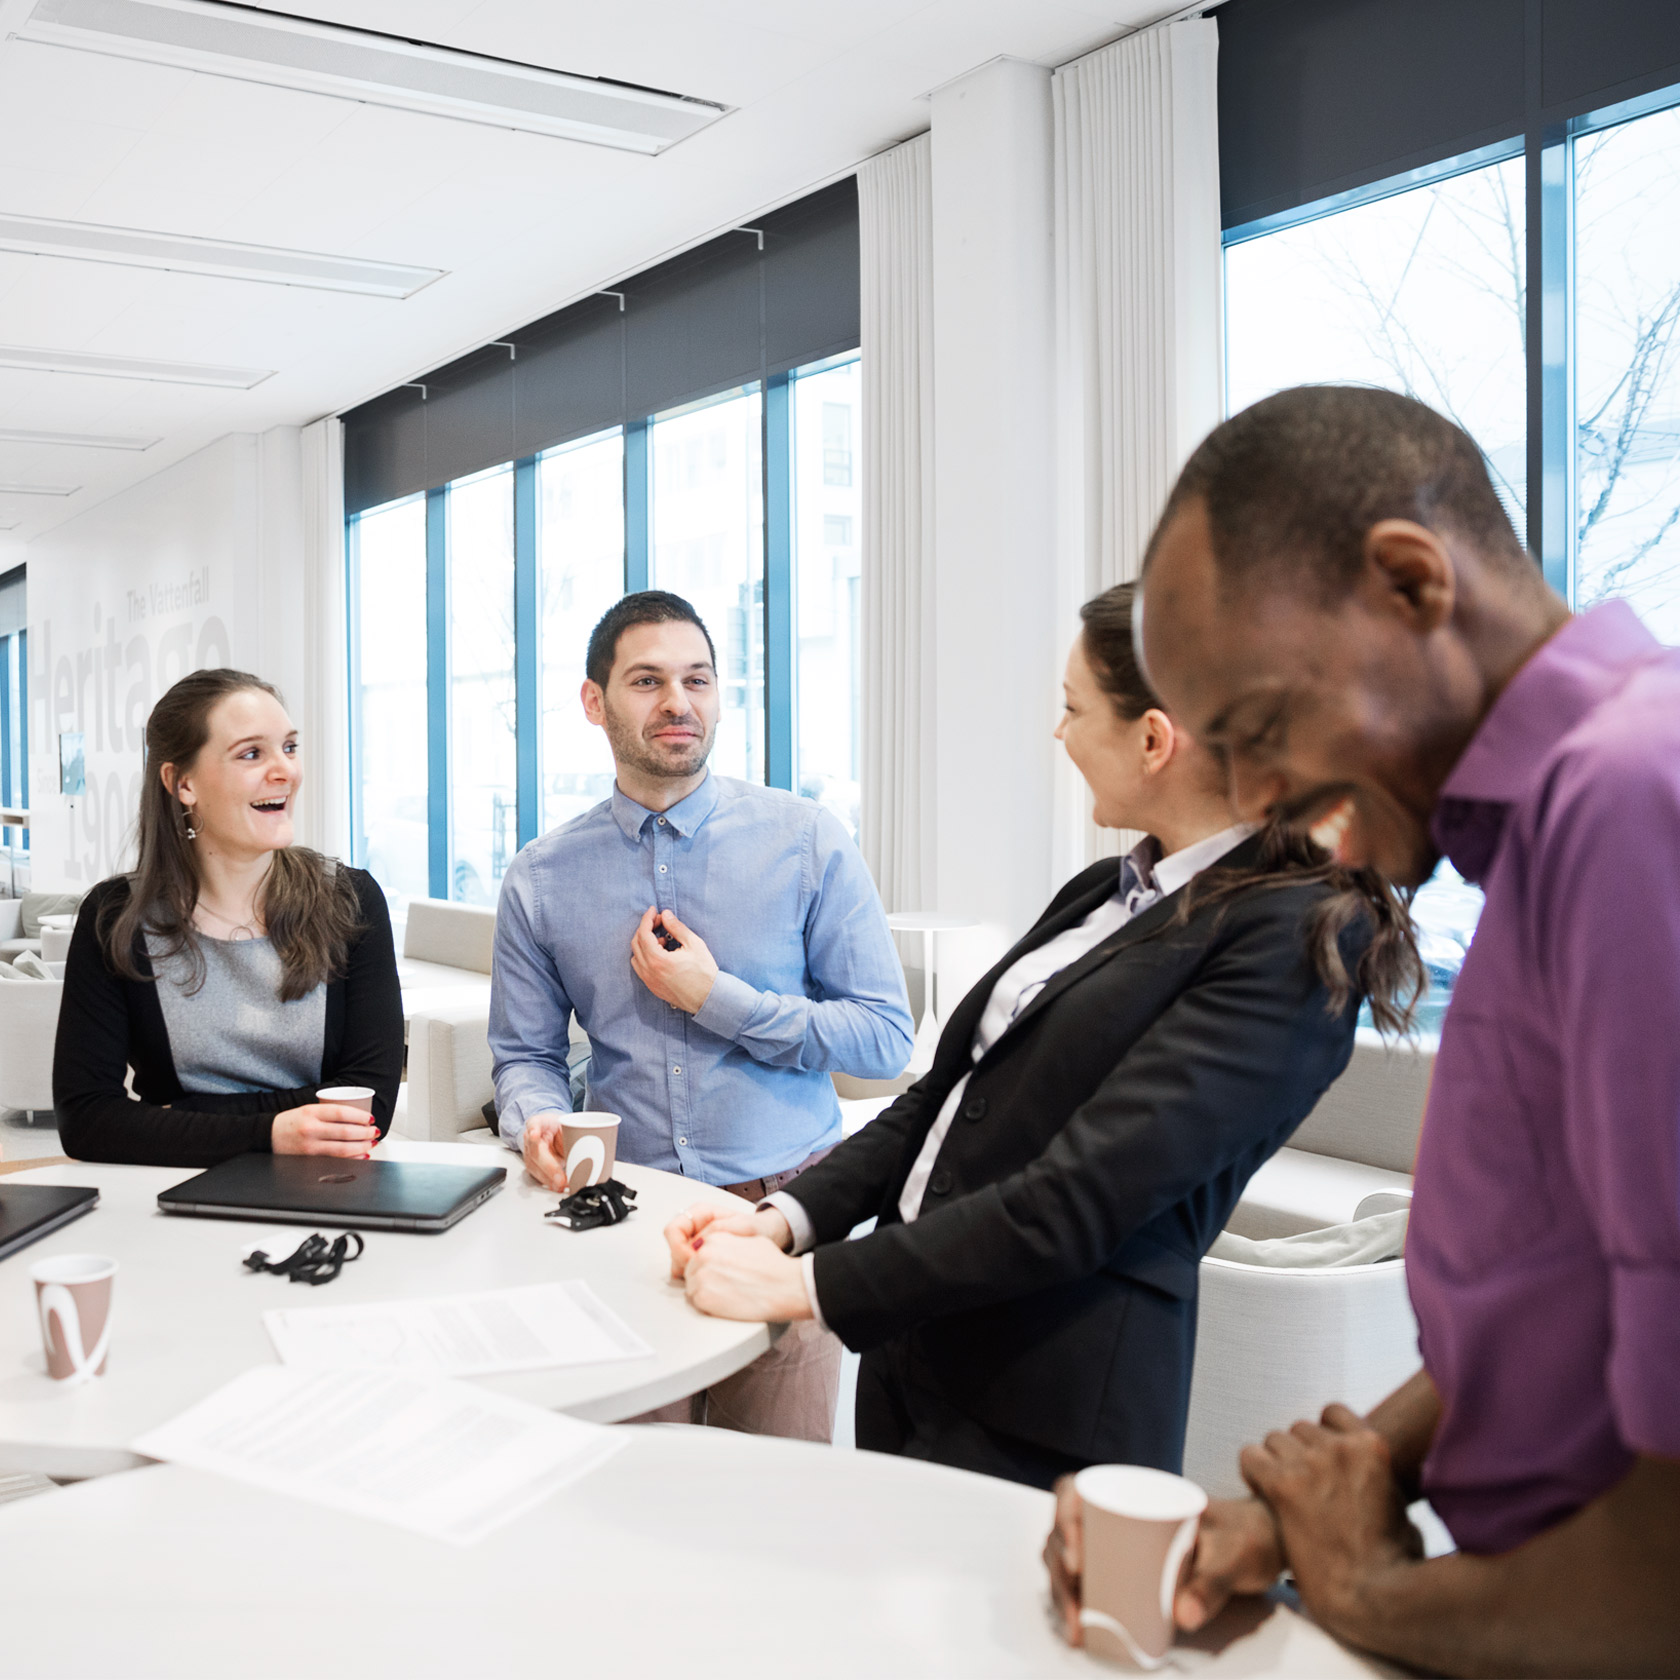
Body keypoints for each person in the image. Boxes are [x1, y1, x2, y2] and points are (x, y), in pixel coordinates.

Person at [1046, 386, 1680, 1677]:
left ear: (1408, 584)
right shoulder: (1551, 829)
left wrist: (1364, 1589)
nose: (1262, 797)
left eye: (1265, 732)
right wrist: (1302, 1505)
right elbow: (1571, 1291)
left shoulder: (1629, 799)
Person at [663, 582, 1419, 1487]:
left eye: (1073, 708)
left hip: (1045, 1403)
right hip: (917, 1359)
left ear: (1152, 736)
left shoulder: (1295, 934)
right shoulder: (1101, 892)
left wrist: (813, 1288)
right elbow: (937, 1102)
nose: (1058, 734)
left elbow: (1083, 1197)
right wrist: (783, 1223)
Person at [489, 590, 912, 1441]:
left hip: (783, 1219)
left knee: (778, 1498)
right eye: (647, 680)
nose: (679, 703)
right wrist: (536, 1120)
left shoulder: (808, 840)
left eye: (699, 680)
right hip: (624, 1218)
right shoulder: (541, 877)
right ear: (594, 701)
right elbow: (524, 1056)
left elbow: (882, 1036)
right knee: (634, 1498)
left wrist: (717, 1001)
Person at [55, 668, 403, 1166]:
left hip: (326, 1190)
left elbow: (369, 1105)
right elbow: (86, 1120)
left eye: (288, 747)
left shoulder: (350, 900)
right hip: (170, 1197)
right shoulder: (115, 919)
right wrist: (271, 1132)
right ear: (183, 783)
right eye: (251, 754)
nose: (285, 771)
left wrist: (182, 1115)